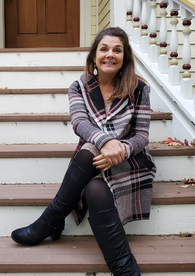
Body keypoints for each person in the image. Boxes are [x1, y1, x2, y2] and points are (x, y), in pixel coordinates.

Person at [11, 27, 156, 276]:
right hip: (93, 160)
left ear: (125, 57)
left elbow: (142, 135)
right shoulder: (79, 86)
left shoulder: (139, 88)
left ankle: (51, 220)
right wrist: (105, 142)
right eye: (104, 49)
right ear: (94, 56)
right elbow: (80, 123)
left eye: (117, 50)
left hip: (129, 161)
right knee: (92, 185)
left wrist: (121, 147)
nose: (110, 54)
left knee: (90, 152)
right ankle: (124, 267)